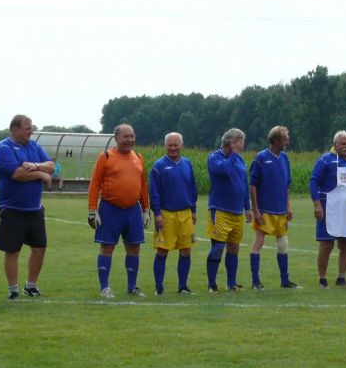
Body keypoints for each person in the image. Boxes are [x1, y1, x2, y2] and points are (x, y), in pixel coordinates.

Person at [0, 114, 56, 300]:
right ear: (15, 130)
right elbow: (17, 174)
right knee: (12, 251)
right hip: (11, 209)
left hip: (34, 209)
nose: (31, 132)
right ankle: (13, 290)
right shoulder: (3, 148)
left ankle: (31, 286)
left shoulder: (34, 146)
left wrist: (35, 165)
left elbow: (52, 166)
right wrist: (41, 175)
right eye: (27, 129)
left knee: (39, 248)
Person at [87, 124, 149, 299]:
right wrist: (92, 210)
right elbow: (94, 184)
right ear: (116, 138)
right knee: (107, 248)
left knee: (134, 248)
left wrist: (146, 209)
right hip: (110, 209)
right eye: (125, 136)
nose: (130, 140)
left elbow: (143, 185)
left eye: (132, 136)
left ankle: (132, 287)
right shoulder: (105, 157)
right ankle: (104, 288)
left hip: (133, 210)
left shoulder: (138, 157)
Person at [310, 130, 346, 287]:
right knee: (327, 244)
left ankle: (341, 278)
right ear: (335, 144)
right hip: (329, 208)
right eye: (343, 144)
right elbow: (313, 182)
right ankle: (322, 279)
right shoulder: (325, 160)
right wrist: (317, 204)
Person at [249, 126, 300, 289]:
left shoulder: (285, 158)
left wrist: (288, 207)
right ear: (276, 140)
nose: (287, 142)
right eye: (285, 139)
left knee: (283, 244)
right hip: (265, 210)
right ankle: (256, 282)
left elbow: (286, 185)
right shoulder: (261, 158)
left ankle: (285, 281)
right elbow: (253, 186)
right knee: (258, 242)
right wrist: (256, 210)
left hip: (281, 211)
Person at [149, 132, 198, 295]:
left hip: (185, 214)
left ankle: (182, 286)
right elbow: (154, 193)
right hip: (166, 214)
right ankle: (159, 287)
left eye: (176, 145)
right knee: (162, 250)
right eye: (170, 145)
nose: (173, 148)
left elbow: (192, 188)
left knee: (186, 250)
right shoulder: (158, 166)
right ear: (165, 146)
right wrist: (157, 213)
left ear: (181, 145)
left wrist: (193, 210)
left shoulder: (187, 164)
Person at [207, 128, 250, 292]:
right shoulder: (214, 157)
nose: (243, 145)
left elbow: (244, 184)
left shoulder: (239, 160)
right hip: (220, 210)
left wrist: (247, 208)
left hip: (237, 211)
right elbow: (225, 170)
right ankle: (212, 284)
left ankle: (231, 283)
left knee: (234, 247)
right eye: (241, 142)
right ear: (232, 142)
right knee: (218, 247)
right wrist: (234, 154)